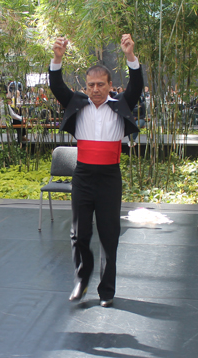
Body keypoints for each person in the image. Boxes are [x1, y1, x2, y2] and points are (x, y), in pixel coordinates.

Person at [49, 34, 143, 307]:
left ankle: (107, 290)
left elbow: (137, 85)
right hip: (84, 176)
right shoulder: (77, 104)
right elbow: (56, 86)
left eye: (101, 84)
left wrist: (130, 56)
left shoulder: (120, 105)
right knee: (79, 234)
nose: (95, 89)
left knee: (109, 233)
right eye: (91, 85)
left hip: (110, 177)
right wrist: (57, 58)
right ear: (85, 86)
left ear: (111, 86)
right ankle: (82, 279)